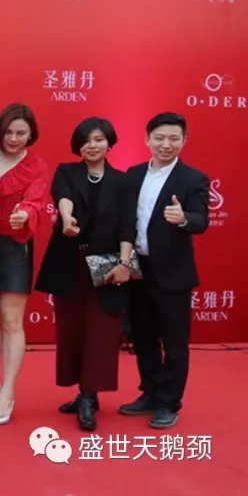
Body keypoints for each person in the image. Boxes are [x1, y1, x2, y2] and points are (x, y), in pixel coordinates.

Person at [35, 117, 136, 432]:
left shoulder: (122, 181)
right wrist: (67, 218)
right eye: (86, 140)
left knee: (102, 330)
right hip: (71, 261)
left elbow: (127, 225)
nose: (92, 145)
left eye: (98, 139)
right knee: (73, 330)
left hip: (108, 262)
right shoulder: (67, 171)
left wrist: (125, 263)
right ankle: (83, 392)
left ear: (109, 143)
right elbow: (62, 196)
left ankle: (90, 397)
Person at [120, 112, 209, 429]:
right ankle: (150, 393)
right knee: (142, 337)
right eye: (159, 138)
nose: (166, 144)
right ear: (147, 140)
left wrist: (184, 218)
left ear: (184, 141)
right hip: (138, 270)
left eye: (174, 138)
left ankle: (169, 402)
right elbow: (125, 220)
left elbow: (201, 219)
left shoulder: (193, 179)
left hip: (173, 273)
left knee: (174, 342)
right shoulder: (132, 175)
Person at [0, 103, 50, 425]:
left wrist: (25, 214)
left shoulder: (36, 166)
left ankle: (8, 391)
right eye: (9, 132)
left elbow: (37, 201)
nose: (14, 138)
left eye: (21, 133)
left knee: (11, 319)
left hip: (15, 246)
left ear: (31, 134)